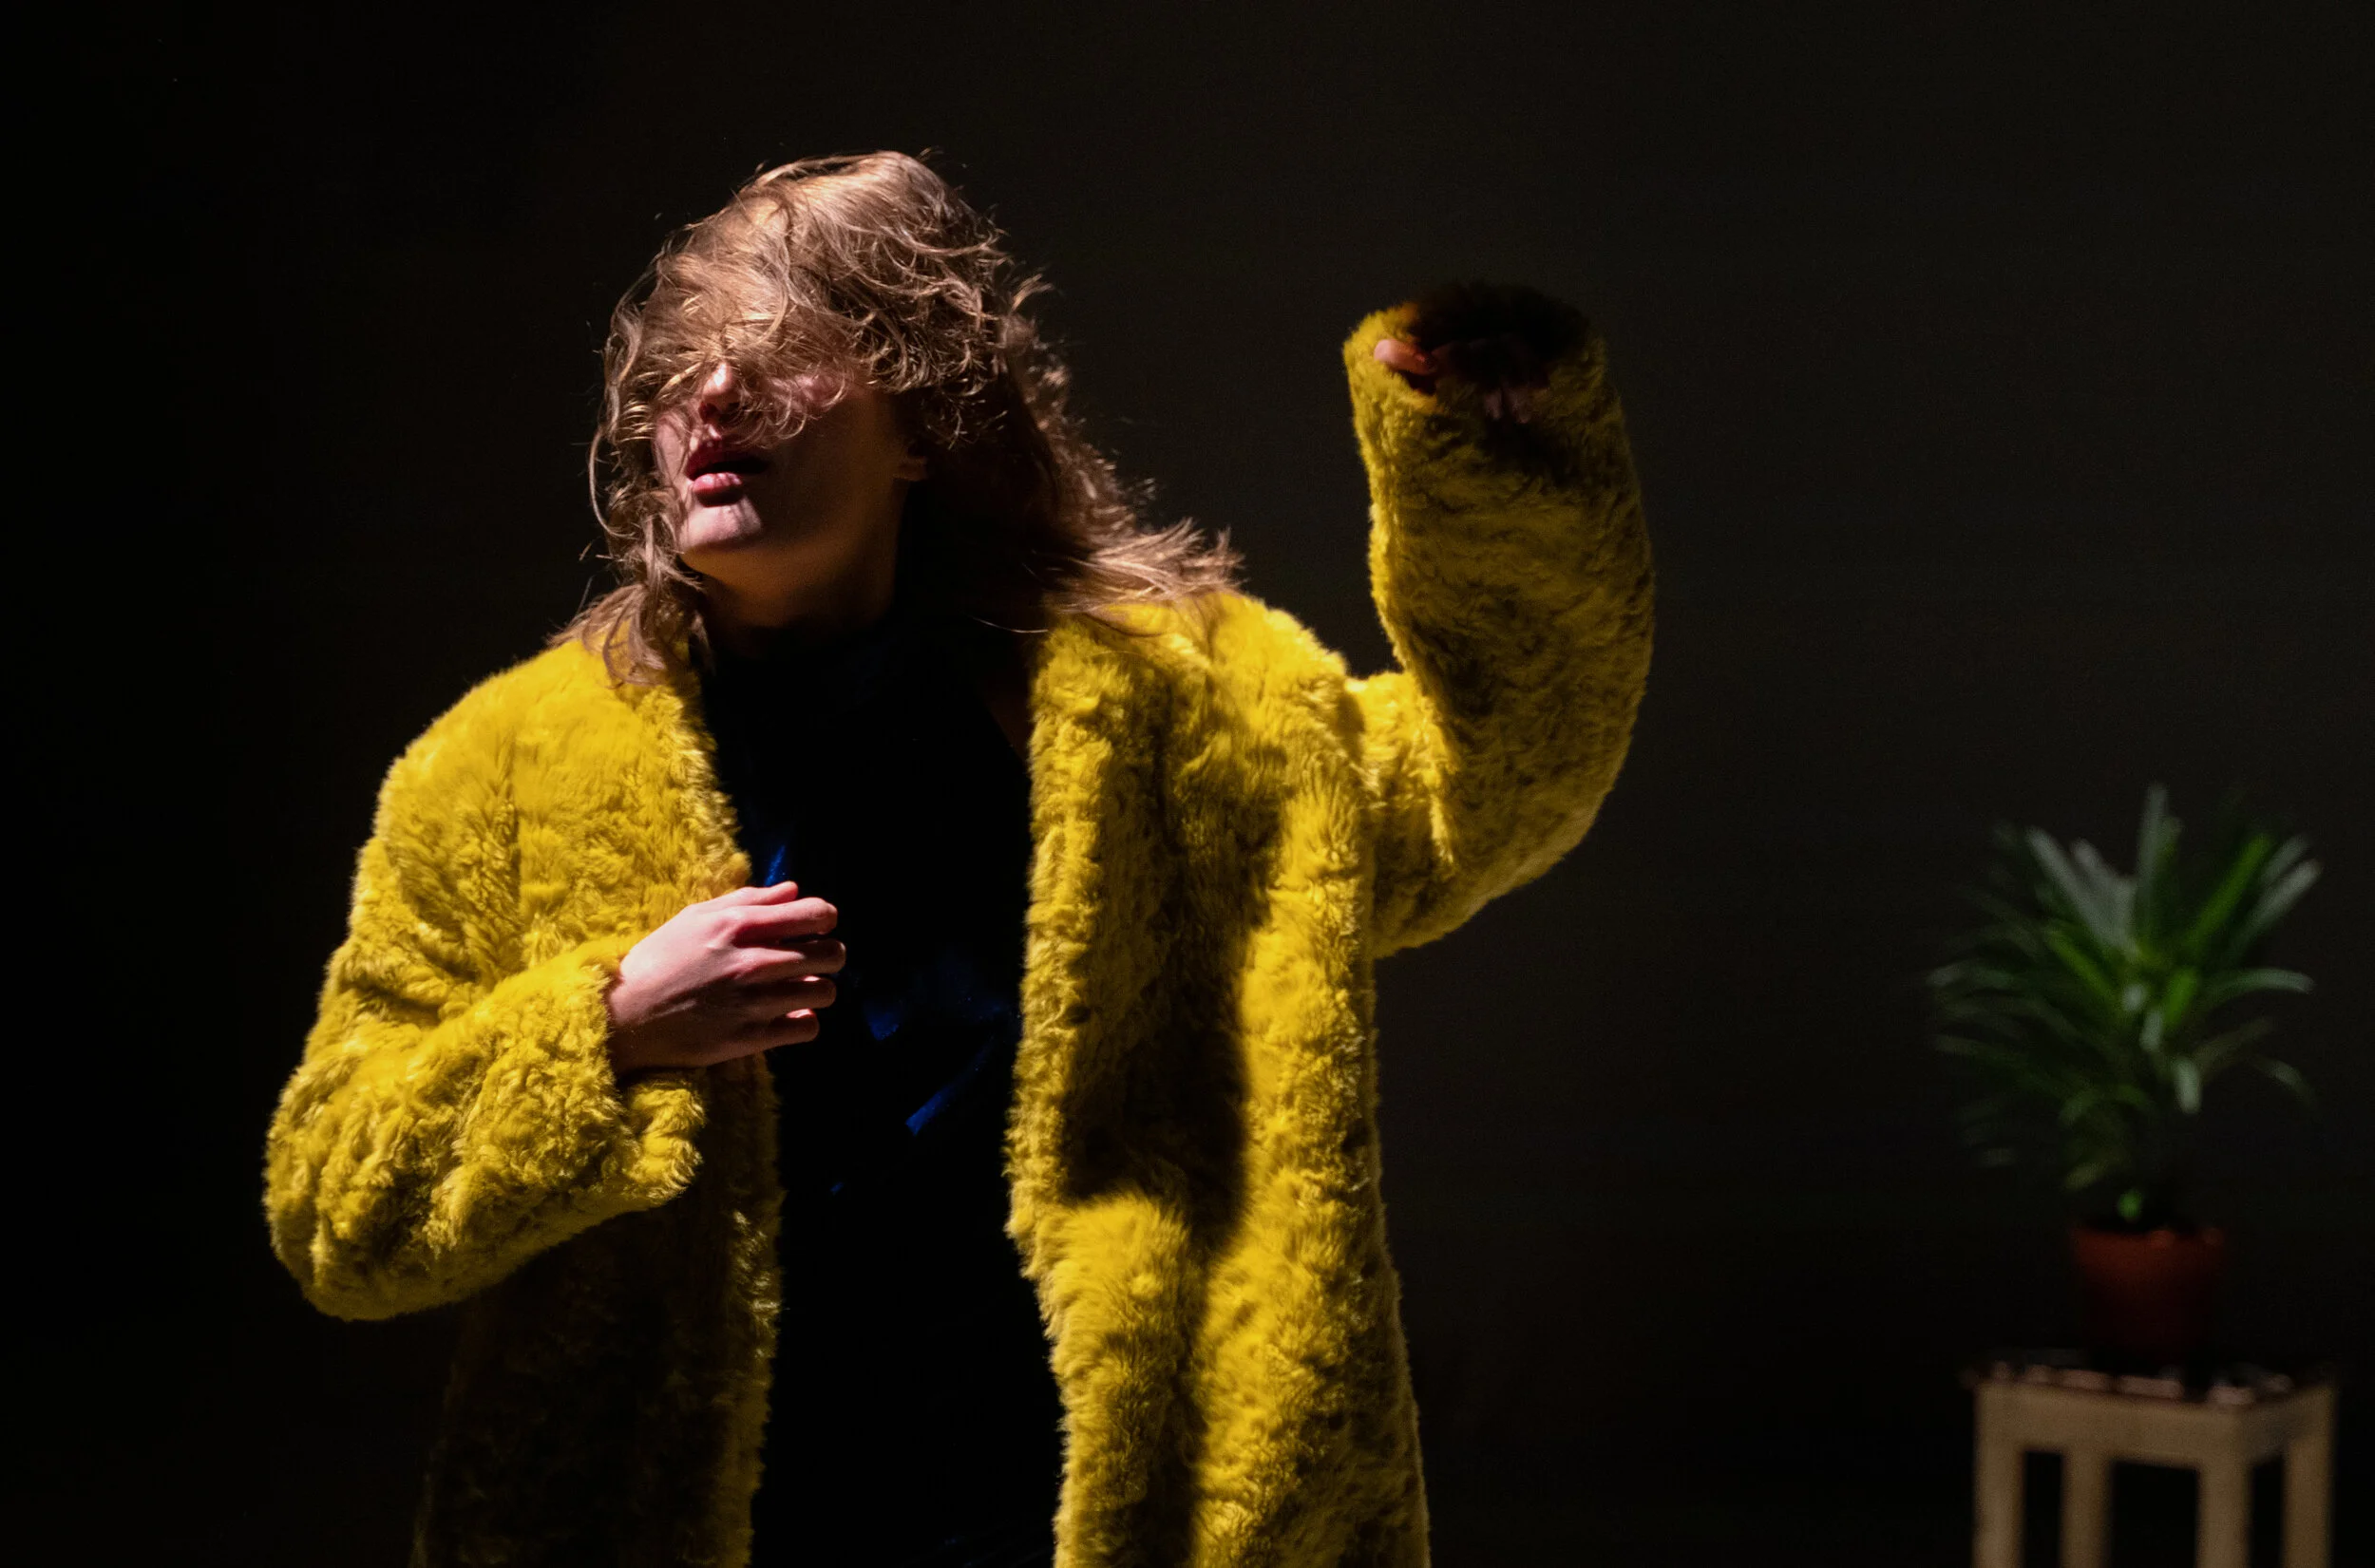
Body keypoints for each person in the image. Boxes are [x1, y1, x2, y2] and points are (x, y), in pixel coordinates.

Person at [264, 150, 1654, 1568]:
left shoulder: (1180, 726)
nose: (715, 397)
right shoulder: (504, 773)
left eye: (781, 354)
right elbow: (331, 1210)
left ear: (922, 420)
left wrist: (1497, 471)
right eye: (679, 372)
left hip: (1093, 1517)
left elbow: (1501, 776)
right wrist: (606, 1031)